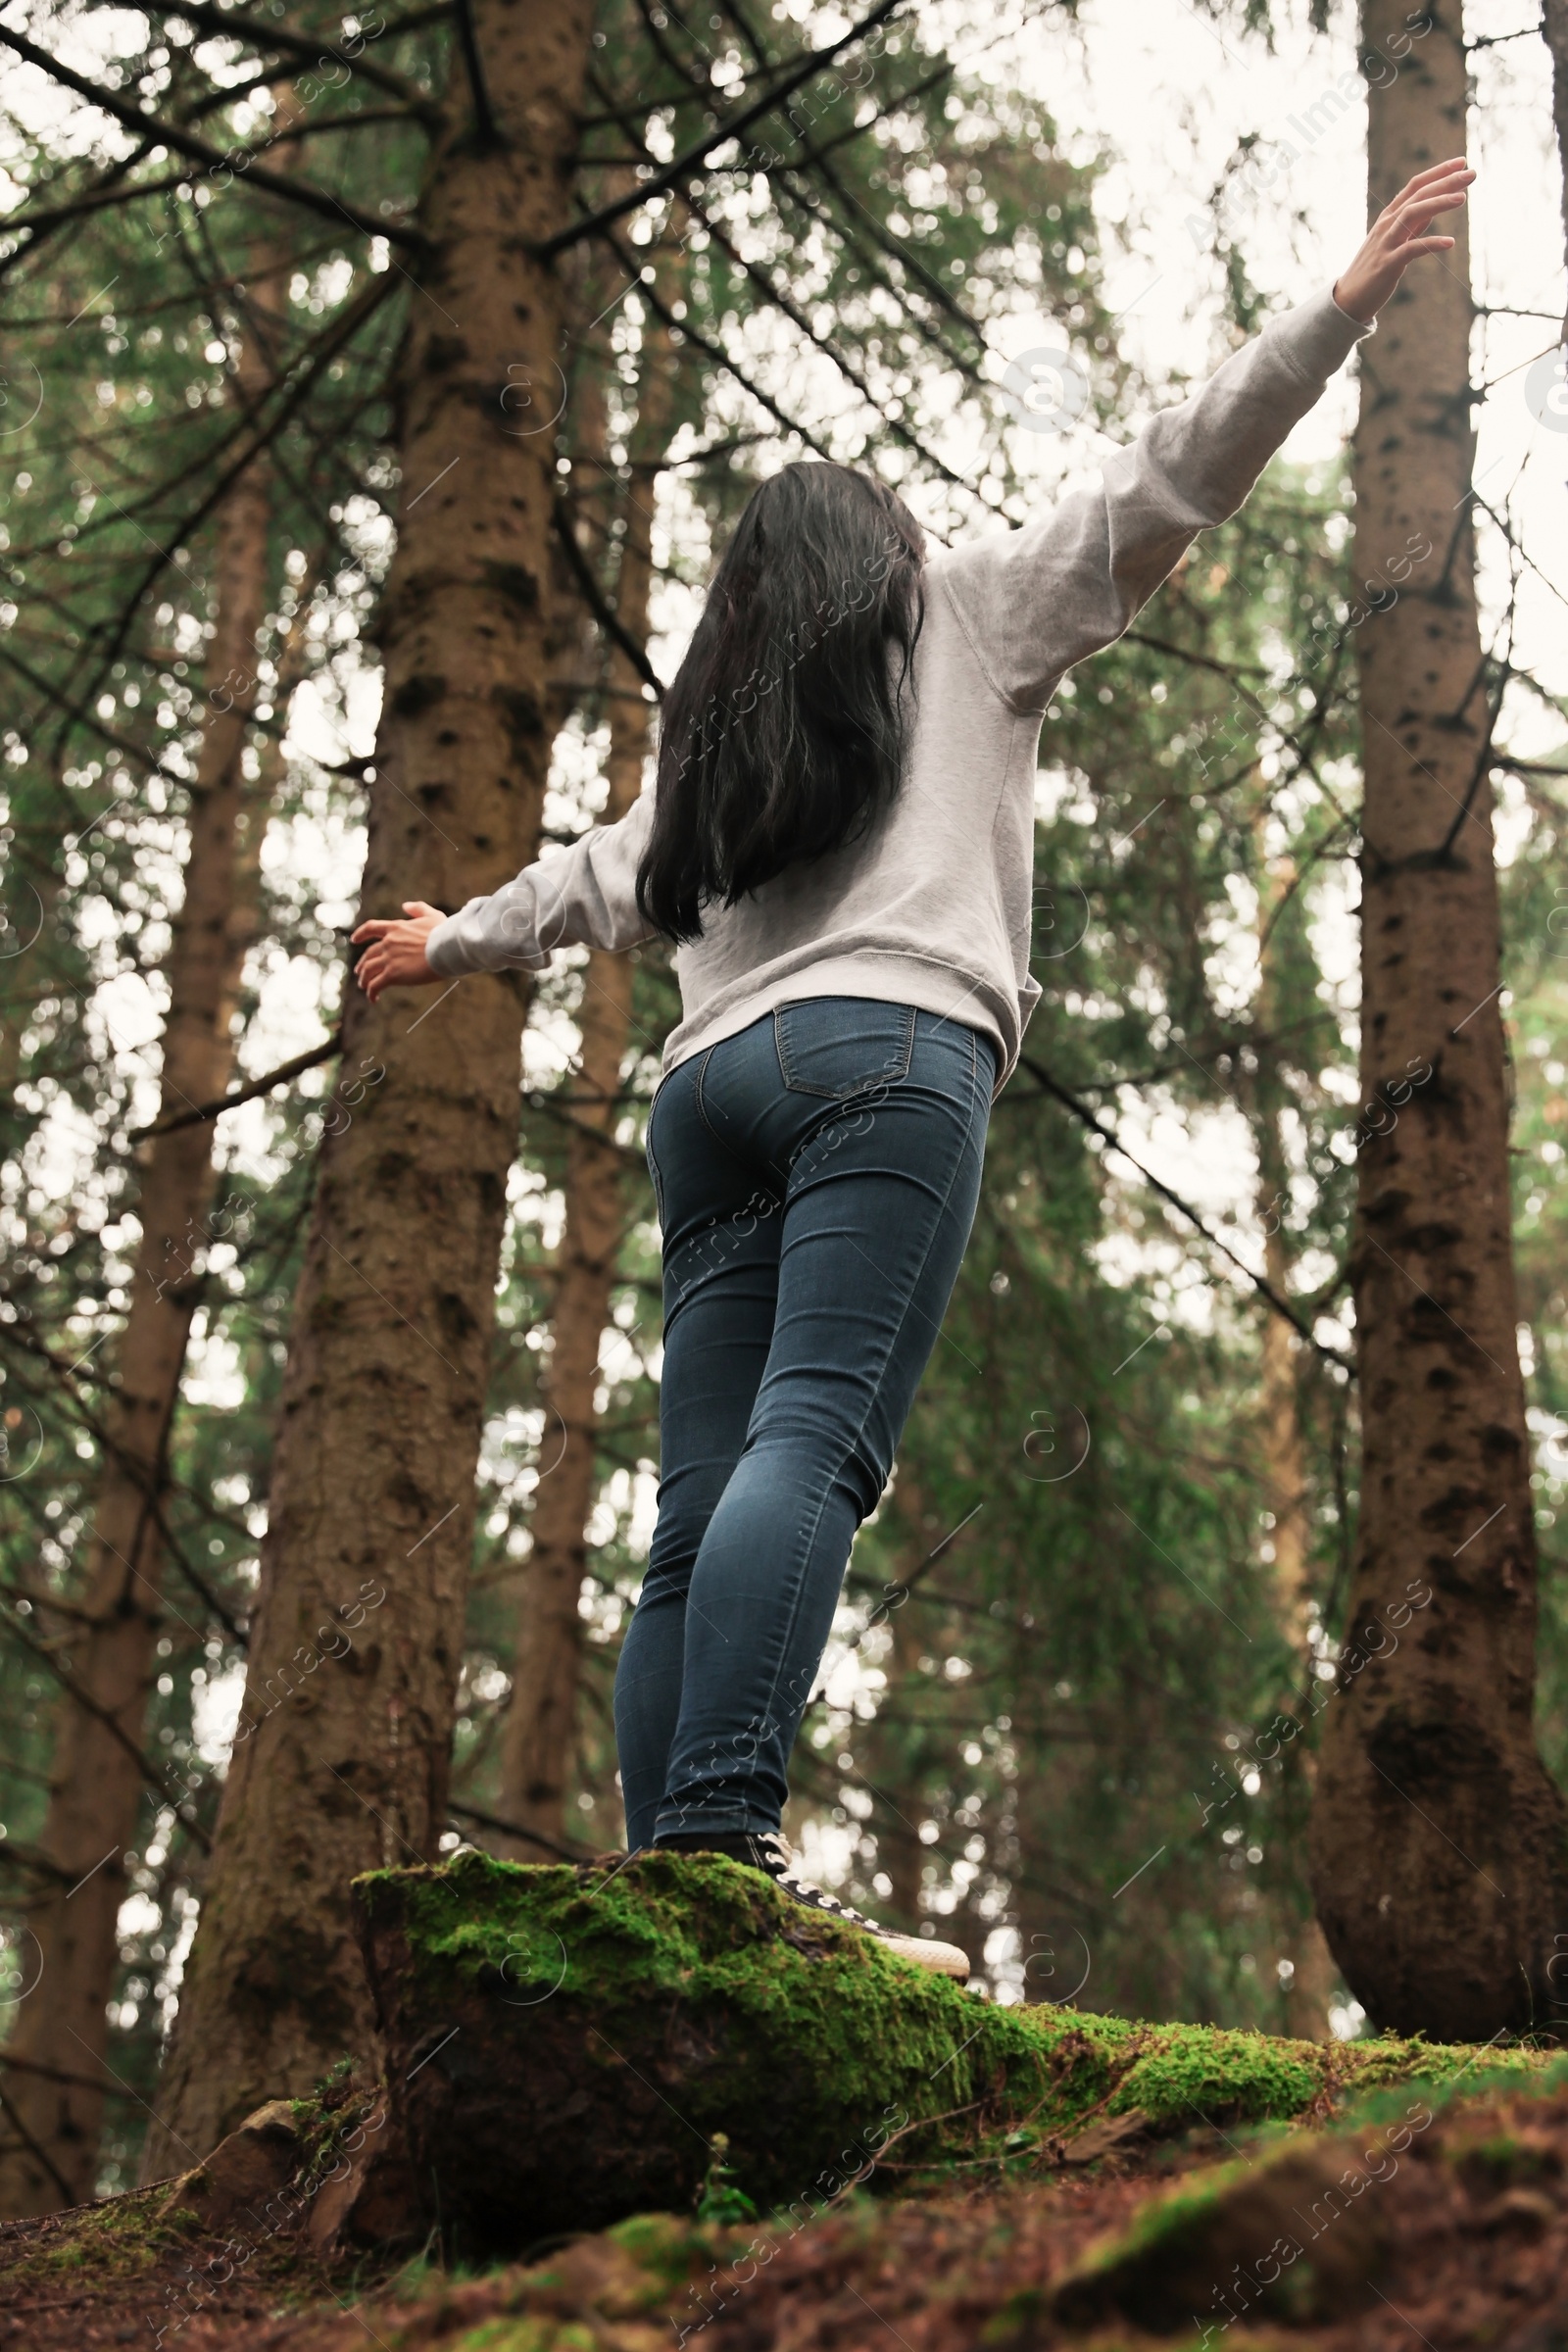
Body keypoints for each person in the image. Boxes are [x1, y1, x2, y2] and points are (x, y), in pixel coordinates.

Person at [354, 161, 1473, 1980]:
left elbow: (588, 884)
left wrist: (452, 938)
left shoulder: (709, 745)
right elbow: (1168, 468)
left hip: (707, 1100)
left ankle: (666, 1886)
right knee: (815, 1444)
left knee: (695, 1499)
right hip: (888, 1056)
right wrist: (1335, 314)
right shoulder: (957, 611)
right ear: (875, 560)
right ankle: (721, 1852)